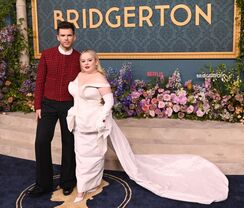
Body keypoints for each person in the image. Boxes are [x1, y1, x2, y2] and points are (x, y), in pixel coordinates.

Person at [67, 49, 229, 204]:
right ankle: (86, 184)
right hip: (80, 123)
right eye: (83, 61)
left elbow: (109, 101)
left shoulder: (99, 79)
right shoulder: (79, 76)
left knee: (92, 156)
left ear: (96, 62)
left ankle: (84, 188)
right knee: (81, 155)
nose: (86, 63)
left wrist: (101, 118)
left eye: (90, 60)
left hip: (94, 123)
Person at [28, 21, 80, 197]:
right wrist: (37, 106)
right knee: (41, 142)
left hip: (70, 106)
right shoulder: (47, 55)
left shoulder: (79, 58)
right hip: (48, 105)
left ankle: (67, 181)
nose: (66, 38)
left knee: (69, 143)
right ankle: (43, 184)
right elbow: (40, 81)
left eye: (69, 35)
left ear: (74, 37)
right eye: (63, 35)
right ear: (58, 37)